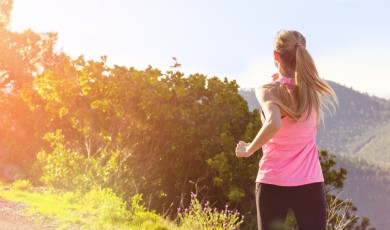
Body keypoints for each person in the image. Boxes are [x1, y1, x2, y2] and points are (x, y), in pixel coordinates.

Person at [235, 30, 338, 230]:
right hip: (309, 183)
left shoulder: (268, 90)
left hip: (273, 181)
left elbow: (274, 123)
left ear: (276, 56)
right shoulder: (312, 91)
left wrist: (248, 150)